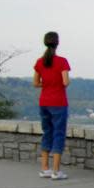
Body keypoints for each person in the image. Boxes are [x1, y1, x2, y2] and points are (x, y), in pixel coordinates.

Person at [32, 31, 70, 179]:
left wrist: (46, 83)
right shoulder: (62, 61)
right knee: (58, 133)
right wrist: (57, 83)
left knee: (47, 132)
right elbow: (65, 82)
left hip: (44, 101)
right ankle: (56, 170)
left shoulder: (40, 62)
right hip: (59, 102)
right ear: (57, 43)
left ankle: (44, 168)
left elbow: (35, 83)